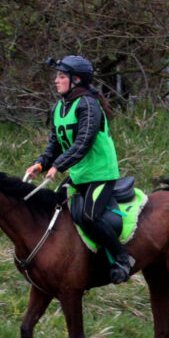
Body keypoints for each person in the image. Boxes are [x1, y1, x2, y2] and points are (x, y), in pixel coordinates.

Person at [25, 55, 134, 284]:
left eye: (61, 76)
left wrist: (58, 166)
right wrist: (41, 163)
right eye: (57, 76)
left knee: (89, 216)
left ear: (76, 80)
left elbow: (83, 142)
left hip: (100, 174)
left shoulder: (88, 105)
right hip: (79, 174)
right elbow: (55, 143)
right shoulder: (59, 107)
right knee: (55, 208)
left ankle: (123, 259)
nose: (56, 80)